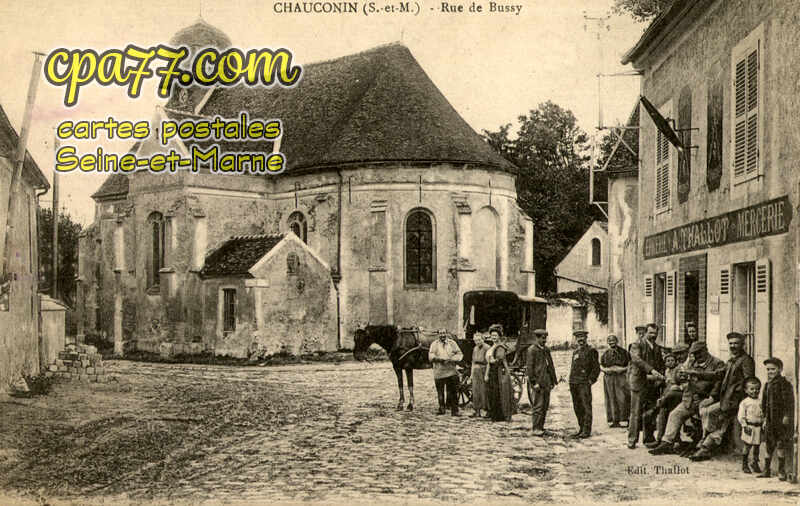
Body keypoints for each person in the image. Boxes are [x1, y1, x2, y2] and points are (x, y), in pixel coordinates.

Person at [649, 341, 726, 455]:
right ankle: (667, 443)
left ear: (706, 350)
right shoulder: (692, 363)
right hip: (690, 398)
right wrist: (681, 376)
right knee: (675, 414)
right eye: (695, 354)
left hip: (705, 399)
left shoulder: (717, 363)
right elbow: (679, 379)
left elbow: (718, 383)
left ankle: (703, 446)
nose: (697, 356)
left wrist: (712, 397)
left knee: (704, 416)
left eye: (699, 353)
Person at [689, 332, 754, 461]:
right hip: (726, 400)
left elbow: (749, 382)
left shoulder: (746, 360)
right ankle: (705, 443)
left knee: (721, 423)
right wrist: (697, 373)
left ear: (742, 345)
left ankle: (705, 447)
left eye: (736, 343)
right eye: (731, 344)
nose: (733, 346)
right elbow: (718, 374)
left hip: (736, 402)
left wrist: (737, 397)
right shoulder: (730, 361)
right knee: (708, 412)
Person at [759, 357, 795, 480]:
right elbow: (764, 403)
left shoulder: (784, 384)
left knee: (780, 444)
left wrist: (786, 415)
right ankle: (766, 470)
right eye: (768, 370)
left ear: (780, 369)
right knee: (769, 445)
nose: (770, 372)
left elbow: (788, 402)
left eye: (773, 369)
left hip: (780, 420)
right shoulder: (767, 384)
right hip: (769, 420)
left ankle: (781, 471)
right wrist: (764, 418)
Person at [646, 344, 689, 446]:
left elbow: (684, 383)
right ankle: (662, 439)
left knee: (666, 409)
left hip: (680, 396)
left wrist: (677, 386)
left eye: (681, 354)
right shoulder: (667, 371)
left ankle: (666, 439)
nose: (679, 357)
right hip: (670, 396)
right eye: (668, 361)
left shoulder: (681, 368)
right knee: (663, 411)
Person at [627, 341, 665, 448]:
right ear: (646, 333)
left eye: (655, 333)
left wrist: (660, 376)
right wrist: (652, 370)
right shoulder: (636, 345)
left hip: (653, 384)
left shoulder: (657, 347)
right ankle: (632, 439)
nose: (653, 335)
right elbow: (637, 360)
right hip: (639, 382)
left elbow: (661, 363)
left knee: (650, 411)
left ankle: (648, 438)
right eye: (650, 332)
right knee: (635, 412)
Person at [569, 329, 601, 438]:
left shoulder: (591, 351)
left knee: (586, 406)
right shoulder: (575, 352)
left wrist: (591, 380)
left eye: (582, 337)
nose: (580, 340)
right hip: (574, 383)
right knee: (577, 407)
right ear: (576, 339)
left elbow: (596, 368)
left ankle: (586, 430)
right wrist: (571, 381)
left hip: (584, 383)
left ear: (586, 338)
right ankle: (581, 428)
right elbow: (573, 368)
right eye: (578, 338)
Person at [526, 328, 557, 436]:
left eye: (545, 338)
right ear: (537, 338)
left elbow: (550, 365)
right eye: (542, 339)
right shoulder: (532, 350)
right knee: (538, 406)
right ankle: (536, 428)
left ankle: (541, 427)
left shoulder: (546, 350)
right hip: (538, 382)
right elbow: (529, 368)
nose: (544, 341)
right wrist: (534, 382)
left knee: (545, 405)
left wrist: (553, 380)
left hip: (547, 381)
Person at [428, 330, 463, 416]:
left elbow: (460, 354)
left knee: (454, 392)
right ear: (438, 335)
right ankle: (441, 408)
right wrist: (438, 359)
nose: (442, 335)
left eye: (444, 333)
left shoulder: (452, 343)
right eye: (440, 333)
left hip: (451, 371)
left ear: (446, 334)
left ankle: (455, 410)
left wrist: (452, 359)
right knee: (440, 391)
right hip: (439, 371)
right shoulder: (434, 344)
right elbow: (430, 355)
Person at [485, 324, 514, 422]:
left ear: (499, 337)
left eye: (495, 336)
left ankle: (499, 416)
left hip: (498, 372)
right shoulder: (493, 346)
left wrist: (493, 361)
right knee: (493, 393)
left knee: (498, 393)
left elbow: (500, 358)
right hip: (493, 371)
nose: (493, 337)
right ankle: (494, 414)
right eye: (492, 336)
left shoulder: (500, 346)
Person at [600, 334, 630, 428]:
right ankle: (613, 420)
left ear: (617, 341)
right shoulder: (605, 354)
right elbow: (600, 365)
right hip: (609, 377)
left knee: (622, 397)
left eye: (613, 340)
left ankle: (623, 419)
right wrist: (605, 370)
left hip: (621, 376)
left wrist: (623, 369)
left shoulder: (624, 352)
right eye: (609, 341)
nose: (611, 342)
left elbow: (630, 364)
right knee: (610, 397)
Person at [737, 376, 763, 474]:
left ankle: (755, 463)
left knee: (757, 446)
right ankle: (744, 464)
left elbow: (763, 414)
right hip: (749, 427)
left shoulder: (761, 401)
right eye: (751, 389)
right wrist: (744, 425)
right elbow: (741, 416)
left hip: (758, 427)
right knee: (747, 446)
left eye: (757, 389)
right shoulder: (745, 402)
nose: (754, 391)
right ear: (746, 390)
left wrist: (763, 423)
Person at [470, 332, 490, 418]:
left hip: (483, 370)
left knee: (484, 391)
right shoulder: (475, 348)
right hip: (476, 371)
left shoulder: (487, 348)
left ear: (483, 339)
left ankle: (487, 410)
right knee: (475, 390)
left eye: (479, 340)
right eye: (475, 340)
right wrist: (471, 374)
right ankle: (477, 410)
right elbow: (473, 362)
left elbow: (489, 363)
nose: (477, 342)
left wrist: (486, 374)